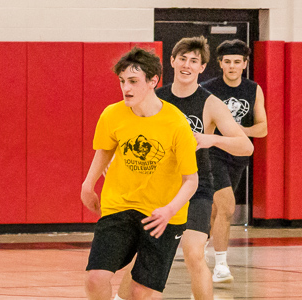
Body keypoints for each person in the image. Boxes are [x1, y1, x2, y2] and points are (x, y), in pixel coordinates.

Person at [115, 37, 254, 300]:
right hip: (158, 188)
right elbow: (130, 133)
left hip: (197, 189)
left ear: (202, 68)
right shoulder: (155, 98)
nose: (187, 65)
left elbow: (245, 146)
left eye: (194, 61)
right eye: (182, 59)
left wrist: (210, 139)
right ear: (172, 61)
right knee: (140, 254)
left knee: (193, 253)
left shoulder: (210, 103)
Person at [81, 47, 198, 300]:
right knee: (95, 278)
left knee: (139, 292)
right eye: (122, 81)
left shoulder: (176, 123)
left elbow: (191, 181)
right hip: (120, 206)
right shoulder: (112, 114)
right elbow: (104, 150)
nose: (126, 88)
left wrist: (169, 210)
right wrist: (88, 184)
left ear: (153, 81)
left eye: (133, 81)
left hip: (163, 214)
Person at [201, 39, 267, 283]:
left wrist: (236, 131)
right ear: (220, 63)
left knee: (216, 210)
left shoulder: (253, 89)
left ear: (245, 64)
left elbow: (262, 129)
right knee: (228, 207)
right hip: (213, 153)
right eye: (227, 62)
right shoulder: (208, 89)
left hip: (238, 155)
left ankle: (199, 245)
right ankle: (221, 266)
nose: (232, 66)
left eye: (237, 62)